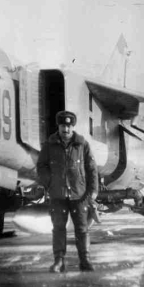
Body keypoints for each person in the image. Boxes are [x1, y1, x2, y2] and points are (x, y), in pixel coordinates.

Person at [37, 110, 99, 273]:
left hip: (79, 195)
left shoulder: (82, 144)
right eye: (63, 126)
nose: (66, 129)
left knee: (82, 228)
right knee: (58, 228)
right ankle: (59, 261)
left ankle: (85, 260)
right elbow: (41, 166)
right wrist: (49, 182)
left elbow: (91, 168)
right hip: (58, 195)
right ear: (58, 126)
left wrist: (93, 191)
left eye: (69, 126)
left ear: (73, 127)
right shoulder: (49, 144)